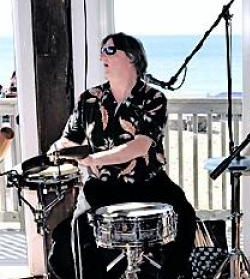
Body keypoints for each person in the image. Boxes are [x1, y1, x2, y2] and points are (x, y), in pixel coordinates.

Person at [48, 32, 196, 279]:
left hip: (148, 182)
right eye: (101, 50)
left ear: (131, 57)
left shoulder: (153, 98)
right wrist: (58, 148)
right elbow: (69, 137)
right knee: (78, 229)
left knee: (185, 217)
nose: (100, 56)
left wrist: (94, 159)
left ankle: (170, 275)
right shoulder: (89, 99)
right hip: (101, 185)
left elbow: (140, 146)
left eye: (108, 50)